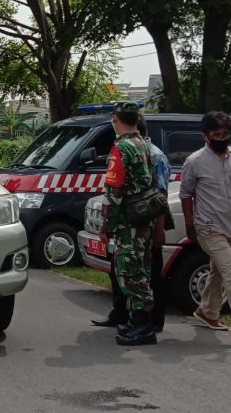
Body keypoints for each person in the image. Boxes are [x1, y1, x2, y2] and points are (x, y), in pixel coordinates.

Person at [180, 111, 231, 348]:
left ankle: (207, 312)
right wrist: (190, 224)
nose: (222, 138)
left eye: (226, 134)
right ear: (204, 136)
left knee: (219, 272)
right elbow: (186, 194)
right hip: (208, 227)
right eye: (216, 134)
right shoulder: (194, 161)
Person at [92, 115, 169, 332]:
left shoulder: (143, 153)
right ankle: (128, 317)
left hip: (139, 223)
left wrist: (159, 229)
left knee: (140, 273)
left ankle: (148, 323)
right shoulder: (142, 149)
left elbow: (159, 195)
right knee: (129, 271)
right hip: (136, 222)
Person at [98, 102, 157, 346]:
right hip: (144, 218)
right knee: (141, 268)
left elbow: (114, 192)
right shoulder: (145, 144)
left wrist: (106, 226)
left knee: (130, 272)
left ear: (115, 119)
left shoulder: (121, 148)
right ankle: (137, 321)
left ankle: (143, 326)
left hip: (127, 222)